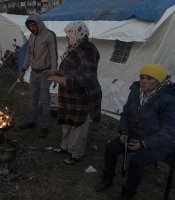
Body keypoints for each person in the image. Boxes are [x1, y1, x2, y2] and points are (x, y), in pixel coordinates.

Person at [95, 64, 175, 199]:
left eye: (149, 78)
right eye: (142, 77)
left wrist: (144, 143)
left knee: (137, 161)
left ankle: (128, 192)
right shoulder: (136, 90)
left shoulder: (169, 99)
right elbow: (126, 113)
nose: (144, 81)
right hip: (135, 132)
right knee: (111, 149)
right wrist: (124, 131)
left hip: (157, 140)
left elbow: (169, 131)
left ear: (158, 81)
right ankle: (108, 178)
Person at [45, 21, 102, 164]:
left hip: (81, 96)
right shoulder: (74, 48)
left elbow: (88, 77)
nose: (67, 37)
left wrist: (62, 80)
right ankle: (65, 147)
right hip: (68, 96)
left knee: (78, 126)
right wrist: (56, 72)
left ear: (77, 33)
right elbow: (70, 69)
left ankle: (75, 153)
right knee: (67, 123)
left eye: (69, 34)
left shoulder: (88, 50)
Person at [18, 13, 58, 138]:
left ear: (39, 23)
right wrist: (23, 69)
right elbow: (29, 55)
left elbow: (53, 55)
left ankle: (45, 126)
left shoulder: (49, 35)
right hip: (34, 72)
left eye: (33, 24)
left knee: (45, 100)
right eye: (29, 25)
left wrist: (53, 71)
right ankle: (31, 121)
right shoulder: (31, 37)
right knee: (33, 98)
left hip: (45, 72)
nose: (31, 27)